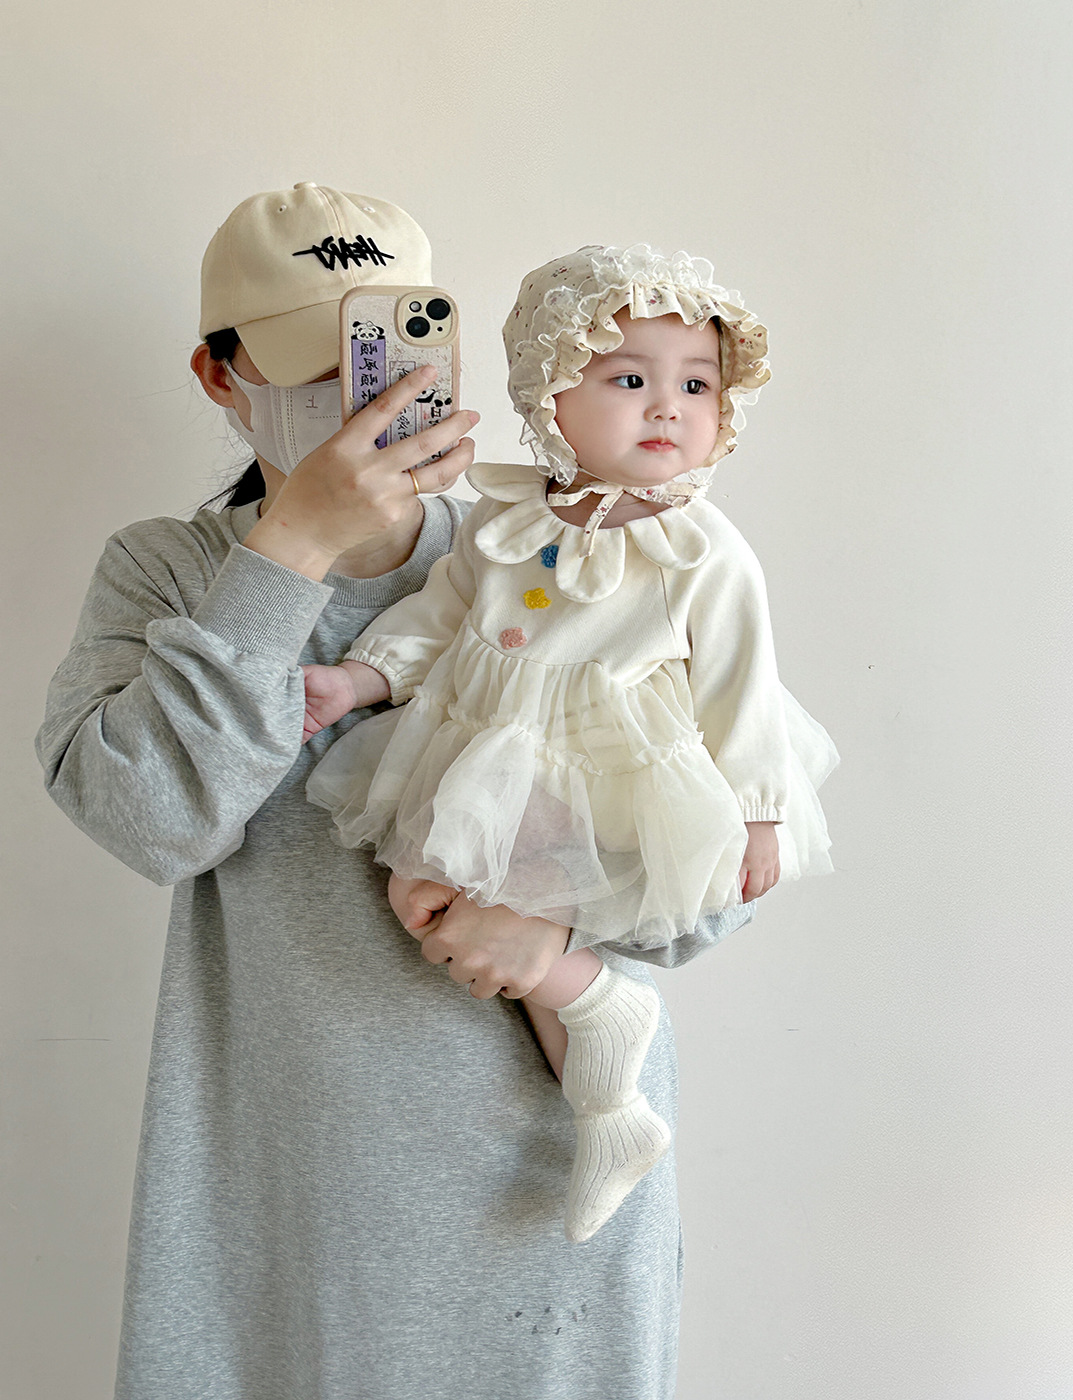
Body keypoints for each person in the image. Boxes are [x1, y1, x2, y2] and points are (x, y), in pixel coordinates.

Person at [35, 186, 758, 1400]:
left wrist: (551, 926)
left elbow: (713, 875)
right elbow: (155, 821)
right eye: (321, 365)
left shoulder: (555, 544)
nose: (365, 397)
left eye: (390, 350)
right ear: (221, 376)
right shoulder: (171, 572)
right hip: (281, 1207)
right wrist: (288, 554)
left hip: (552, 1189)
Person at [302, 245, 839, 1244]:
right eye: (630, 380)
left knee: (506, 902)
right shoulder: (506, 517)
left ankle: (601, 1055)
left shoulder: (703, 550)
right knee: (419, 888)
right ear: (550, 395)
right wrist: (361, 678)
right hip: (493, 744)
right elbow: (443, 618)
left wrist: (759, 812)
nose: (668, 407)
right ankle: (608, 1086)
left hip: (608, 769)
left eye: (696, 385)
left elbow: (741, 687)